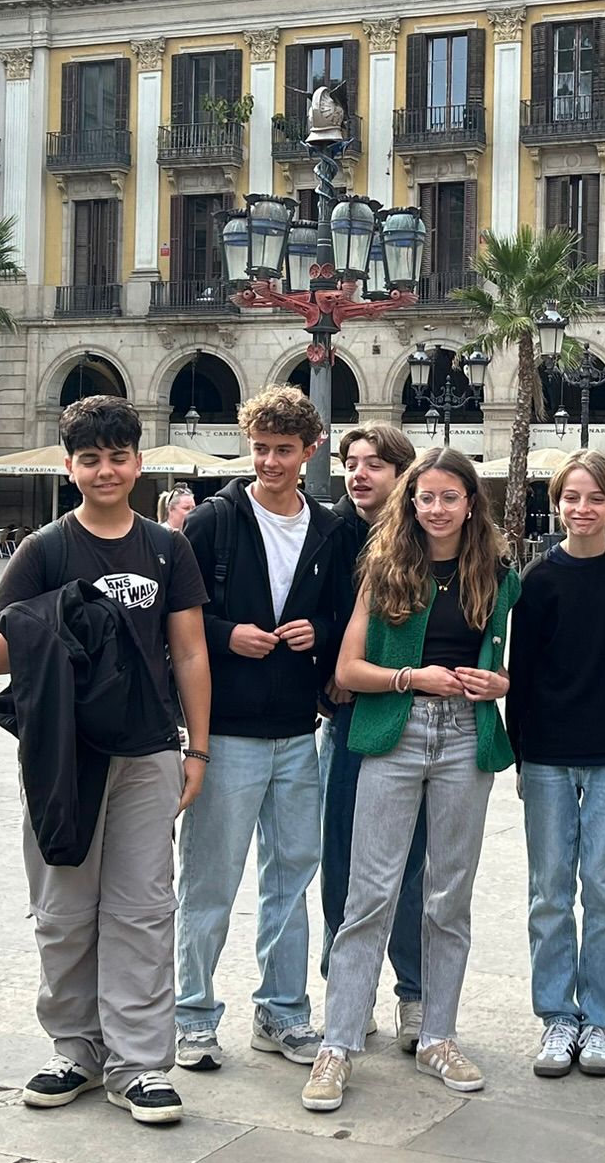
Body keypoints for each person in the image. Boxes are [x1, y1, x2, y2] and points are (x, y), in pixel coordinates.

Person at [0, 395, 211, 1125]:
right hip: (63, 757)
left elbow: (190, 652)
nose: (104, 471)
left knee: (143, 908)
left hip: (148, 749)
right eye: (89, 459)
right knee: (63, 909)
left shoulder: (168, 548)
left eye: (117, 457)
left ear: (139, 463)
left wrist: (197, 749)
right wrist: (55, 614)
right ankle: (75, 1050)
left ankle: (139, 1064)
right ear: (69, 465)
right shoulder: (44, 548)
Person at [303, 447, 517, 1113]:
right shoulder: (386, 566)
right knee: (369, 894)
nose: (437, 508)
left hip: (465, 736)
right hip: (395, 732)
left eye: (450, 497)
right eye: (426, 497)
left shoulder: (497, 574)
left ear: (471, 503)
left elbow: (513, 667)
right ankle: (337, 1044)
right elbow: (347, 672)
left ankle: (438, 1036)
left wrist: (499, 683)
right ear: (411, 501)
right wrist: (410, 677)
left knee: (448, 896)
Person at [174, 386, 344, 1072]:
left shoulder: (330, 529)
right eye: (261, 448)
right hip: (229, 732)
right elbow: (179, 620)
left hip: (298, 732)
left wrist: (319, 631)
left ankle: (283, 1012)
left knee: (291, 881)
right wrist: (226, 635)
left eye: (284, 450)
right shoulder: (212, 522)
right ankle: (192, 1016)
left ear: (311, 451)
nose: (270, 462)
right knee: (208, 883)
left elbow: (343, 615)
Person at [508, 450, 605, 1080]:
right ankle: (556, 1016)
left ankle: (599, 1020)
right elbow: (523, 672)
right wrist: (520, 754)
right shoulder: (539, 578)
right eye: (571, 497)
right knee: (549, 892)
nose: (582, 509)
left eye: (595, 498)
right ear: (556, 503)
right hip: (548, 757)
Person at [320, 422, 425, 1053]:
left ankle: (415, 994)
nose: (359, 474)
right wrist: (326, 680)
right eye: (352, 463)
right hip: (350, 718)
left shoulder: (429, 535)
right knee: (343, 859)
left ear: (402, 474)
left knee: (413, 863)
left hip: (415, 721)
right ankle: (346, 994)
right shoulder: (330, 532)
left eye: (375, 464)